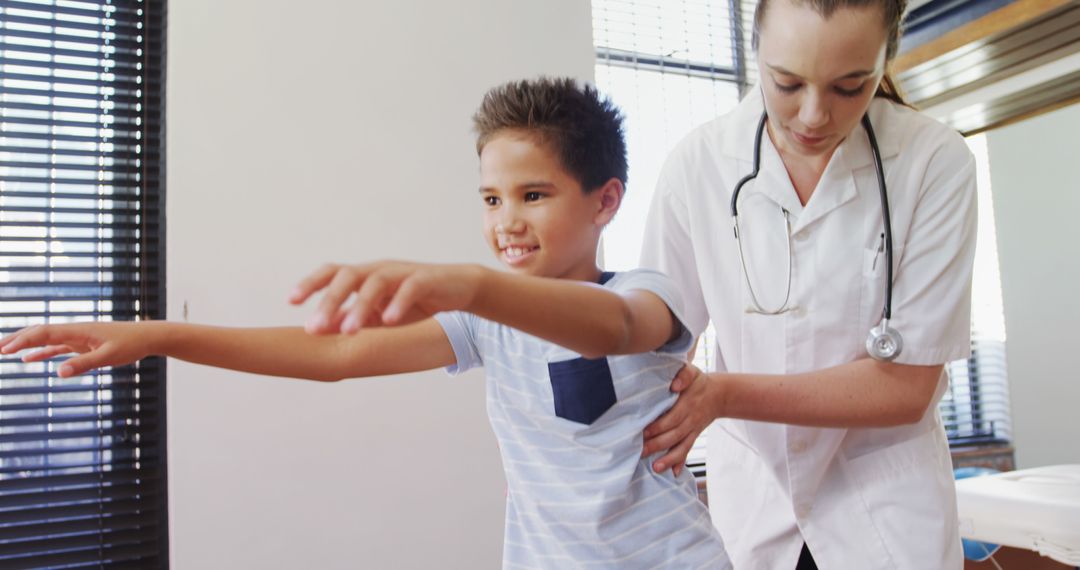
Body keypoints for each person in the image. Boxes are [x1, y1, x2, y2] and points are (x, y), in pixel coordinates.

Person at [0, 78, 731, 569]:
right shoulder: (486, 323)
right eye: (489, 199)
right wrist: (161, 336)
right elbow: (336, 355)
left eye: (532, 195)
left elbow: (610, 328)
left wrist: (471, 285)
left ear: (605, 202)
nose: (506, 222)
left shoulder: (645, 293)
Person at [636, 0, 976, 568]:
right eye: (787, 83)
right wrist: (573, 457)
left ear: (886, 56)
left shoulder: (933, 162)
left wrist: (722, 394)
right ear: (756, 50)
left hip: (885, 517)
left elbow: (906, 387)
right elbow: (655, 348)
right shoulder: (698, 165)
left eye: (850, 86)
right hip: (752, 509)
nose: (814, 115)